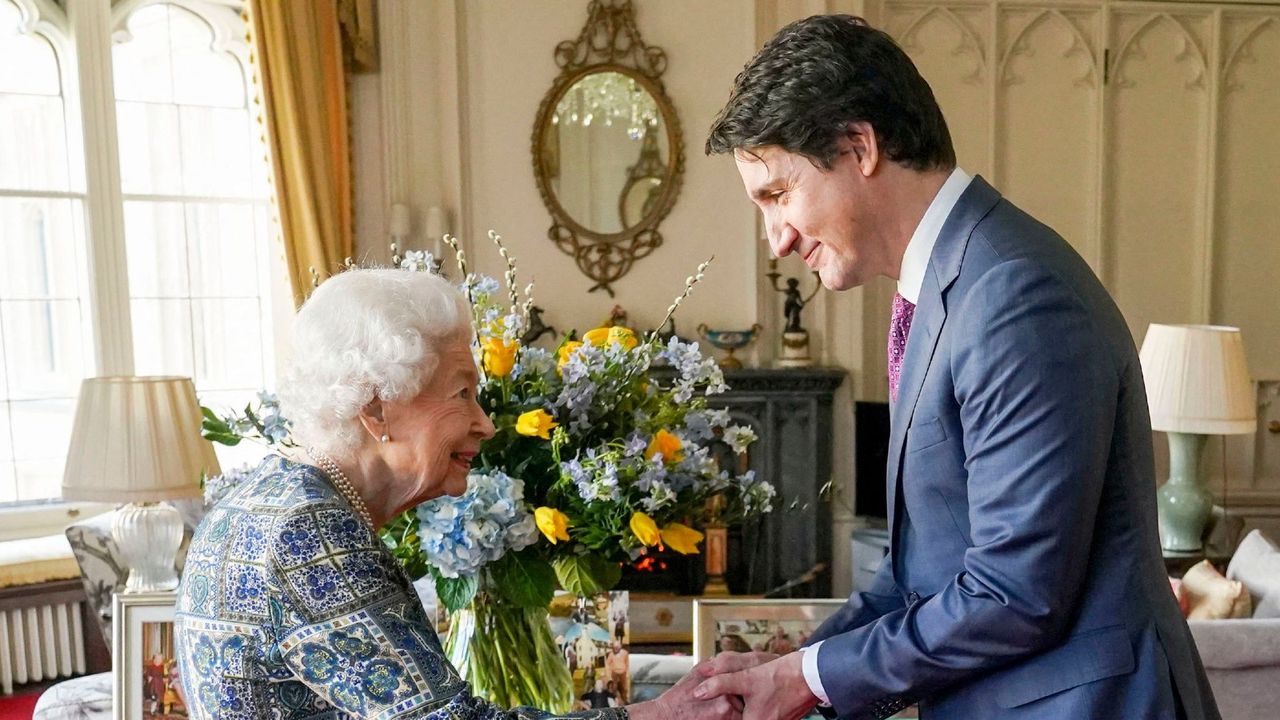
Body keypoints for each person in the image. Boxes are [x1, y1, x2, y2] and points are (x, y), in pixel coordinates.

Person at [694, 14, 1219, 720]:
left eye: (778, 195)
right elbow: (920, 577)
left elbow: (1015, 594)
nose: (777, 239)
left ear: (859, 146)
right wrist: (795, 670)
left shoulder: (1014, 294)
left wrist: (809, 679)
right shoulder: (950, 283)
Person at [173, 269, 744, 720]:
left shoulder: (269, 499)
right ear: (377, 408)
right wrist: (659, 714)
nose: (486, 424)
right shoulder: (308, 532)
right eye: (463, 394)